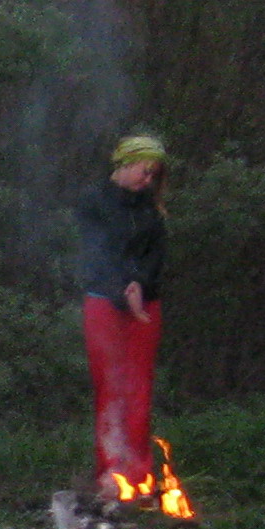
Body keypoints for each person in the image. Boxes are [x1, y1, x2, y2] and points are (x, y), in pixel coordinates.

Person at [74, 134, 168, 505]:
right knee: (110, 388)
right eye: (145, 172)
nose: (148, 180)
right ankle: (111, 476)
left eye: (154, 175)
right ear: (125, 163)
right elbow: (94, 253)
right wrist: (120, 288)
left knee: (139, 388)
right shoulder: (94, 201)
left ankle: (139, 476)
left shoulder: (151, 208)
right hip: (103, 303)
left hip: (145, 307)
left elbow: (156, 256)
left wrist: (139, 284)